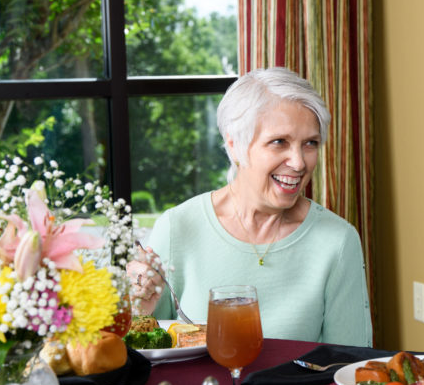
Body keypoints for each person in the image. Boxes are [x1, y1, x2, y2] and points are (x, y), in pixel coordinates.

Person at [126, 67, 372, 346]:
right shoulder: (177, 229)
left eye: (310, 143)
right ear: (234, 145)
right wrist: (138, 308)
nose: (299, 162)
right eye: (279, 142)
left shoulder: (338, 241)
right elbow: (143, 357)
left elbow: (347, 364)